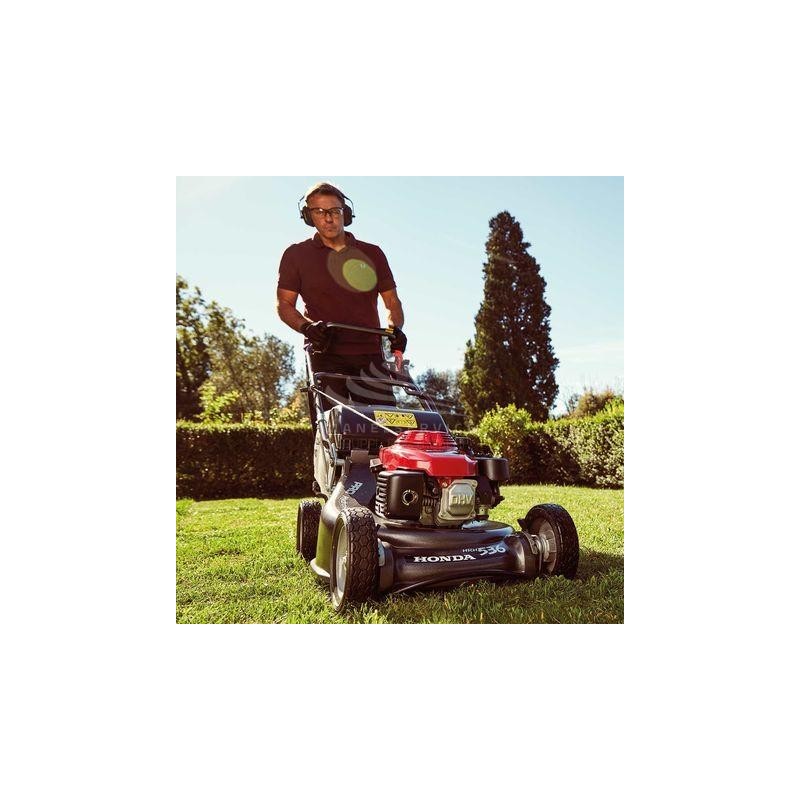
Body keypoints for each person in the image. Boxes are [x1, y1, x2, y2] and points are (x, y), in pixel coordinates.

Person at [276, 181, 407, 418]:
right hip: (325, 355)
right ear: (308, 216)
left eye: (334, 211)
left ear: (345, 213)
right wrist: (307, 327)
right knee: (332, 426)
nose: (328, 218)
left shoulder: (373, 253)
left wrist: (395, 329)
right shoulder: (296, 255)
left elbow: (392, 302)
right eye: (319, 211)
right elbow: (284, 304)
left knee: (386, 424)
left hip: (370, 357)